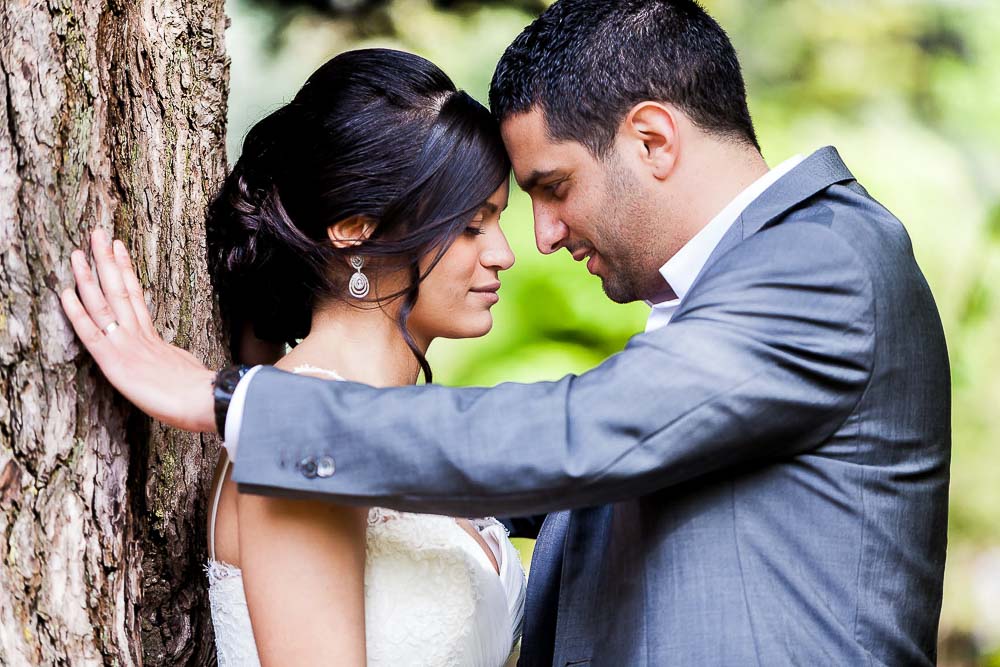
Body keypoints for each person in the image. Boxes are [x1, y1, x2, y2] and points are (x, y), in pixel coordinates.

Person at [61, 0, 951, 665]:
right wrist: (299, 404)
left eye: (550, 188)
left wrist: (238, 402)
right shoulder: (739, 293)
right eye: (485, 216)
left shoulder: (822, 263)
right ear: (358, 228)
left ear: (652, 140)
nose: (540, 240)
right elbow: (559, 462)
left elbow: (583, 434)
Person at [79, 48, 529, 666]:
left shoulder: (375, 424)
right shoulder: (296, 444)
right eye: (473, 225)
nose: (504, 253)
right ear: (356, 228)